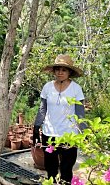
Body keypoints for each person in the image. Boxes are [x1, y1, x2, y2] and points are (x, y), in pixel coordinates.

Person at [33, 54, 85, 184]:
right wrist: (36, 127)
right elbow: (42, 109)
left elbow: (80, 114)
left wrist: (84, 134)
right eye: (58, 69)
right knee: (51, 168)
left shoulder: (76, 89)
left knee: (66, 169)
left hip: (69, 135)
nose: (60, 72)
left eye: (64, 70)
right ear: (54, 71)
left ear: (69, 72)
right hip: (49, 133)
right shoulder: (47, 87)